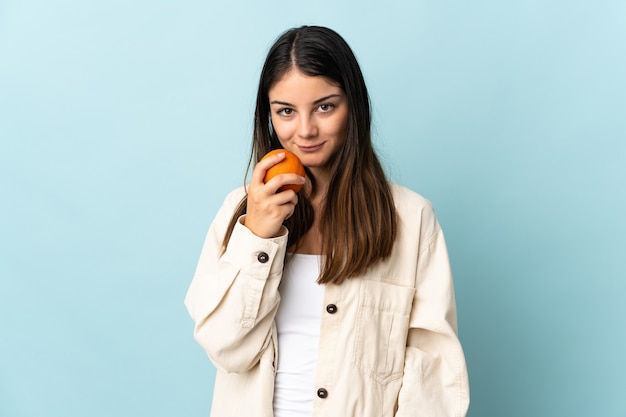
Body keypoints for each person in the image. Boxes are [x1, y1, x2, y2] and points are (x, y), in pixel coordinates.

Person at [185, 25, 470, 417]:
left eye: (324, 106)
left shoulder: (410, 218)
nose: (305, 130)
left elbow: (433, 377)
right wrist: (258, 236)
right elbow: (225, 348)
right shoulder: (240, 212)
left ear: (353, 105)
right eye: (286, 111)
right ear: (268, 115)